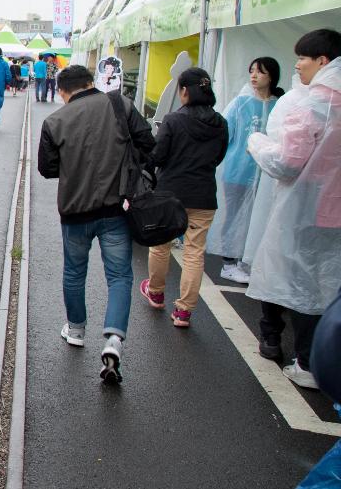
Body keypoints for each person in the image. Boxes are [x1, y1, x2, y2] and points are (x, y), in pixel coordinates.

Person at [38, 64, 155, 383]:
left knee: (74, 271)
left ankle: (75, 329)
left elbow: (47, 169)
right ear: (92, 82)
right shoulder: (120, 105)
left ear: (62, 91)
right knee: (119, 275)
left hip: (74, 210)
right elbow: (148, 144)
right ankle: (114, 340)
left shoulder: (54, 121)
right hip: (116, 208)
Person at [245, 29, 341, 390]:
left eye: (302, 57)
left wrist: (257, 142)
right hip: (334, 215)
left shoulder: (311, 104)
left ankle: (308, 363)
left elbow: (286, 163)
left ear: (323, 61)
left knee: (300, 288)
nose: (297, 65)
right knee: (330, 288)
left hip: (303, 212)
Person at [138, 68, 228, 328]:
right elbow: (219, 155)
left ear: (185, 91)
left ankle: (155, 292)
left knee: (160, 245)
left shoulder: (173, 120)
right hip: (203, 195)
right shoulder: (220, 122)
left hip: (170, 193)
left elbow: (158, 156)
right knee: (194, 253)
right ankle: (184, 312)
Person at [207, 58, 285, 283]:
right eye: (251, 71)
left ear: (271, 76)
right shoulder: (240, 103)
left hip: (266, 176)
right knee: (234, 217)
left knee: (256, 218)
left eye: (260, 72)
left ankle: (246, 260)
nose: (254, 76)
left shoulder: (278, 104)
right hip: (237, 173)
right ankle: (229, 263)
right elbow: (224, 134)